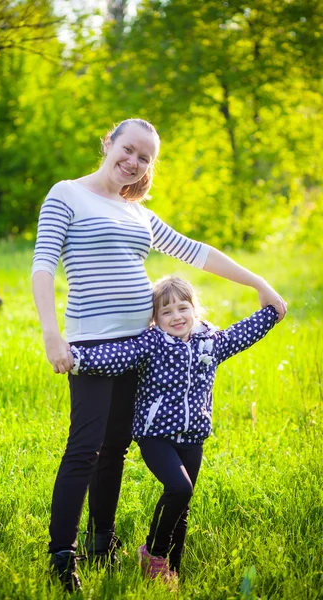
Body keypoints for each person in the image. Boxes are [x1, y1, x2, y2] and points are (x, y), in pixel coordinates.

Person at [31, 118, 286, 592]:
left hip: (141, 348)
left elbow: (196, 251)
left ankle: (101, 540)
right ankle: (61, 554)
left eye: (144, 158)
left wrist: (259, 283)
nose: (133, 162)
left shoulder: (137, 213)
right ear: (108, 143)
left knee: (115, 450)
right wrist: (51, 334)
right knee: (84, 449)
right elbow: (43, 264)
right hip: (91, 343)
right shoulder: (66, 194)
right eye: (128, 150)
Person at [68, 275, 280, 589]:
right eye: (166, 312)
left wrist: (272, 311)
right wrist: (76, 359)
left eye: (183, 308)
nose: (176, 316)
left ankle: (171, 572)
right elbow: (115, 358)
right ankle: (152, 553)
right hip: (155, 436)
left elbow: (243, 333)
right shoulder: (152, 343)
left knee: (182, 506)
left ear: (195, 310)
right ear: (155, 318)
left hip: (193, 437)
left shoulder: (210, 341)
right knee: (180, 488)